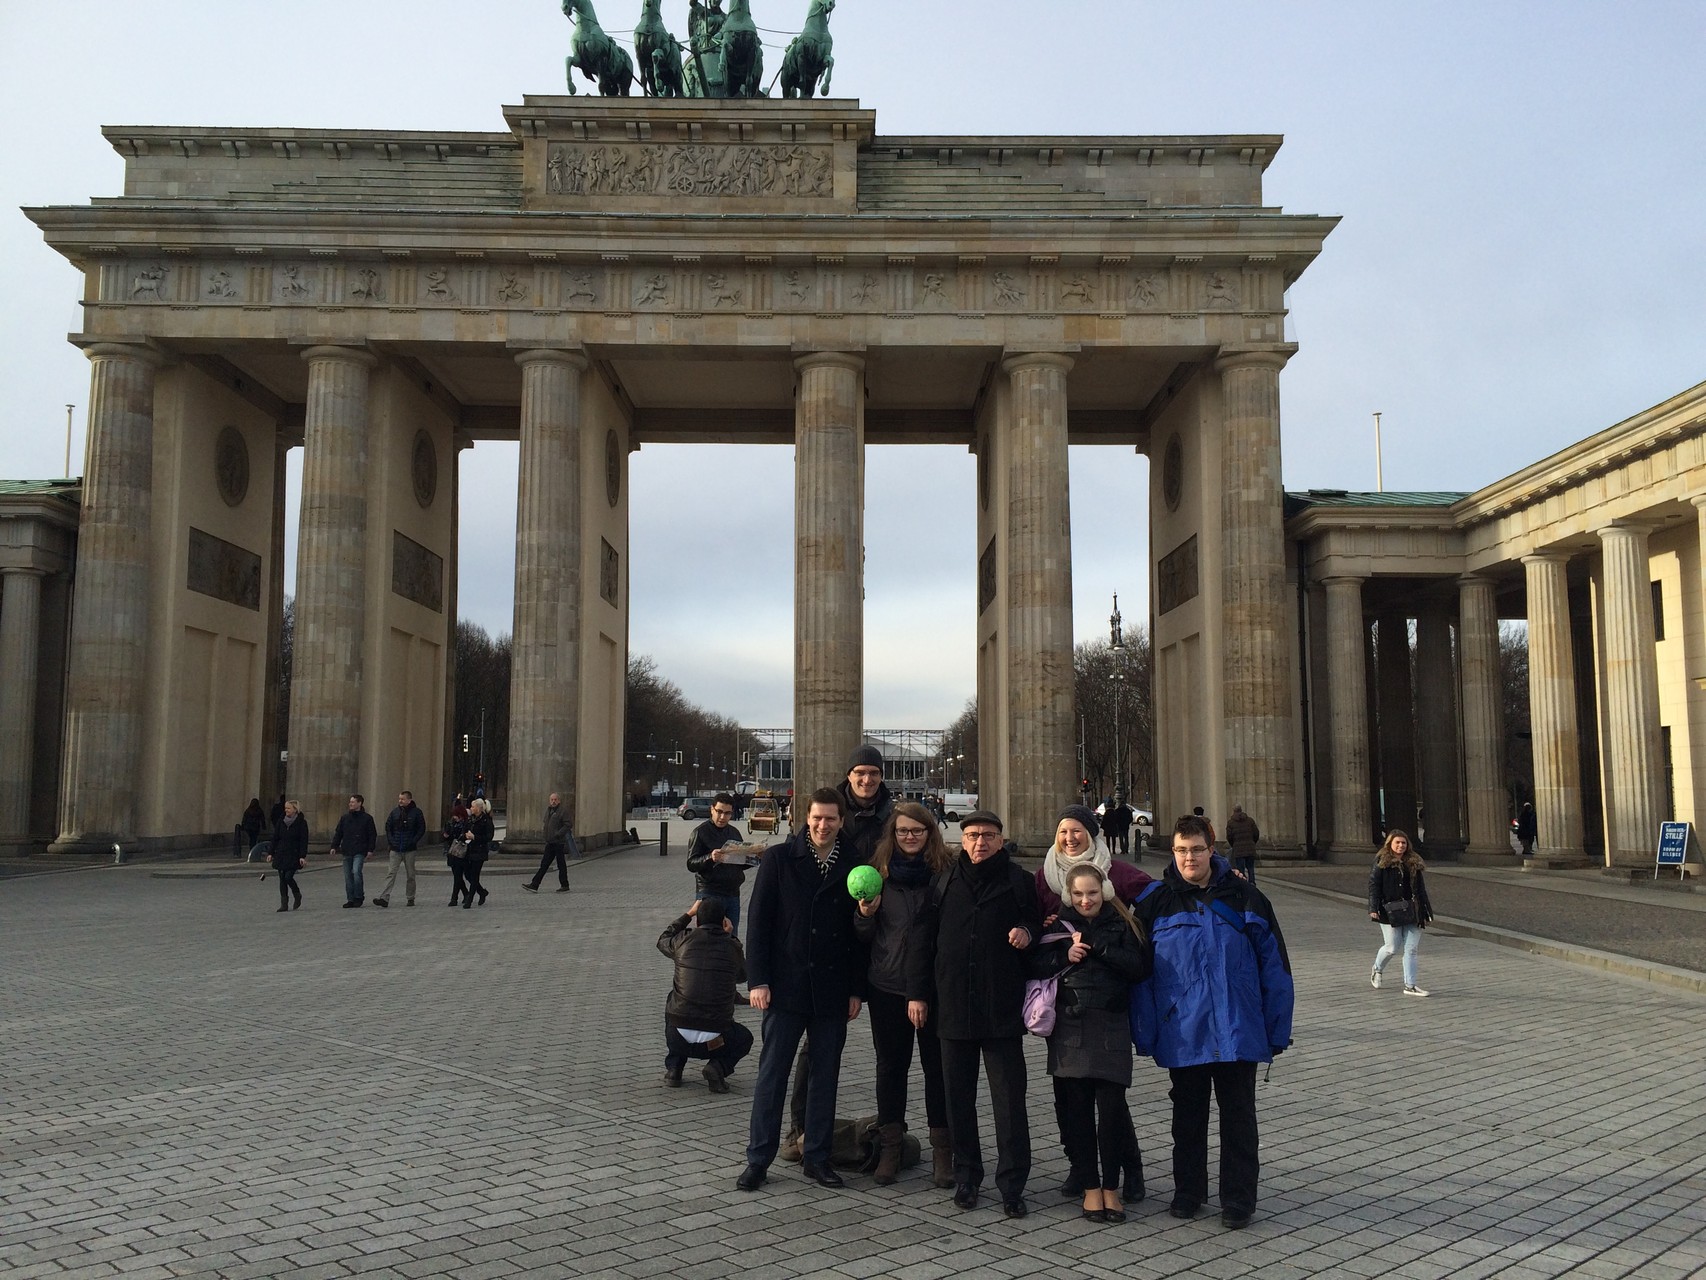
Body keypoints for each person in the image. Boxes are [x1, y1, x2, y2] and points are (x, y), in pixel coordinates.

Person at [1132, 814, 1293, 1229]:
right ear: (1173, 851)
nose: (1190, 858)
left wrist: (1277, 1028)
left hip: (1239, 1028)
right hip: (1184, 1030)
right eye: (1182, 850)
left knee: (1239, 1118)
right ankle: (1189, 1192)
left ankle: (1238, 1199)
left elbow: (1275, 967)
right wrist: (1145, 1032)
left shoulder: (1247, 897)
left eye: (1197, 849)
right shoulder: (1155, 902)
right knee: (1187, 1119)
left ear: (1212, 847)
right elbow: (1141, 975)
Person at [907, 809, 1041, 1218]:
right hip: (952, 1006)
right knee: (957, 1100)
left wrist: (1028, 931)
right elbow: (922, 941)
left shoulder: (1019, 880)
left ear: (1001, 839)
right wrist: (918, 994)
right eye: (972, 836)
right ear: (961, 840)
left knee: (1009, 1103)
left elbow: (1035, 924)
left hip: (1000, 1007)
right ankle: (967, 1177)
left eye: (988, 836)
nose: (980, 842)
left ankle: (1012, 1183)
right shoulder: (944, 880)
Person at [735, 787, 867, 1194]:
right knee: (772, 1075)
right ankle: (759, 1158)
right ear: (803, 819)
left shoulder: (854, 863)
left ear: (842, 821)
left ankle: (818, 1157)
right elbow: (758, 923)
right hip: (786, 985)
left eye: (831, 818)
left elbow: (858, 938)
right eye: (816, 818)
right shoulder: (778, 859)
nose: (823, 825)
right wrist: (757, 980)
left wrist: (856, 989)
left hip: (832, 987)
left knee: (825, 1077)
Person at [779, 746, 897, 1158]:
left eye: (874, 774)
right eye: (860, 772)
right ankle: (799, 1131)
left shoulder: (894, 816)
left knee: (891, 1044)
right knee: (816, 1045)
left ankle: (891, 1133)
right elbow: (802, 856)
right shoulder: (828, 810)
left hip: (880, 932)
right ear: (849, 775)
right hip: (830, 935)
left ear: (882, 777)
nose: (867, 780)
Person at [1034, 805, 1154, 1202]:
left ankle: (1129, 1168)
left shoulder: (1115, 872)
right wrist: (1041, 930)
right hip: (1067, 1003)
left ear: (1092, 833)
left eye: (1078, 830)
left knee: (1110, 1100)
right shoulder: (1044, 876)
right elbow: (1030, 920)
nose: (1070, 837)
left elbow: (1157, 892)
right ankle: (1079, 1168)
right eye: (1064, 830)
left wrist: (1228, 872)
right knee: (1069, 1099)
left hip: (1107, 1000)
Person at [852, 803, 955, 1187]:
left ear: (931, 833)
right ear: (892, 835)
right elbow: (862, 937)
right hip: (888, 985)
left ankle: (943, 1149)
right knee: (890, 1067)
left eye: (917, 830)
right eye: (902, 831)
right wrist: (864, 914)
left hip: (934, 988)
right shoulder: (876, 876)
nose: (909, 837)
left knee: (937, 1069)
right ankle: (890, 1146)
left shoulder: (945, 875)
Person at [658, 897, 753, 1092]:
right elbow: (743, 976)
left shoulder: (683, 940)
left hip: (677, 1037)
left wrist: (687, 914)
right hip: (717, 1040)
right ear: (724, 923)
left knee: (673, 999)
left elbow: (662, 940)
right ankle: (717, 1068)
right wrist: (732, 938)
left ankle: (675, 1068)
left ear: (697, 922)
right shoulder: (731, 946)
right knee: (745, 1038)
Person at [1368, 829, 1434, 996]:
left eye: (1403, 843)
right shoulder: (1382, 862)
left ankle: (1410, 985)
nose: (1400, 846)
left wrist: (1426, 910)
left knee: (1411, 949)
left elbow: (1421, 889)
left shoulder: (1414, 863)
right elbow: (1374, 886)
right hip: (1389, 910)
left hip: (1413, 910)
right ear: (1390, 844)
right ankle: (1377, 968)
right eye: (1397, 842)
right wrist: (1373, 908)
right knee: (1391, 947)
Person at [686, 793, 753, 934]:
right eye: (719, 812)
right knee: (709, 936)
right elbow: (691, 864)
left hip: (732, 892)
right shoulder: (700, 832)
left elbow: (738, 863)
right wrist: (710, 857)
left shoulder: (734, 832)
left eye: (727, 813)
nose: (723, 817)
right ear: (712, 809)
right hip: (709, 892)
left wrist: (754, 858)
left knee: (731, 935)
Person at [374, 790, 426, 908]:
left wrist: (414, 841)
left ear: (409, 800)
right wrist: (391, 841)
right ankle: (384, 897)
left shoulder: (416, 813)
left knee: (411, 875)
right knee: (391, 873)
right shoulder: (395, 812)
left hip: (410, 849)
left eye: (402, 799)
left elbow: (421, 828)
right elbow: (388, 827)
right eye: (399, 799)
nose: (400, 801)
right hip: (395, 848)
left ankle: (410, 897)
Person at [330, 794, 378, 908]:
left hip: (360, 850)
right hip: (347, 849)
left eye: (352, 802)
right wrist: (334, 846)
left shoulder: (367, 818)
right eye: (350, 802)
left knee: (356, 872)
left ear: (359, 803)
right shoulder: (345, 818)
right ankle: (350, 899)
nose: (350, 804)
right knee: (348, 876)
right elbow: (339, 833)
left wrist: (370, 850)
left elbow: (372, 835)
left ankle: (358, 896)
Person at [525, 792, 574, 893]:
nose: (553, 801)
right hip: (550, 842)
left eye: (555, 799)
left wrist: (559, 834)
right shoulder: (549, 810)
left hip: (558, 842)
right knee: (544, 864)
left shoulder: (562, 811)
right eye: (552, 800)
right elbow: (546, 824)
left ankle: (564, 885)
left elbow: (568, 824)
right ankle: (534, 884)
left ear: (559, 801)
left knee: (561, 864)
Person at [268, 800, 309, 912]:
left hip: (294, 853)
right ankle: (284, 903)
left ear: (295, 809)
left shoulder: (301, 823)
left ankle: (297, 894)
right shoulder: (281, 822)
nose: (286, 810)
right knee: (282, 878)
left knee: (288, 876)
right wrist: (271, 852)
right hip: (281, 853)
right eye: (285, 808)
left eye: (289, 808)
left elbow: (303, 840)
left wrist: (302, 856)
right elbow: (275, 838)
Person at [462, 798, 494, 908]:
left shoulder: (486, 820)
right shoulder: (470, 819)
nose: (471, 808)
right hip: (469, 850)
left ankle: (469, 900)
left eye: (473, 806)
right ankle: (481, 892)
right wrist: (465, 835)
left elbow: (489, 837)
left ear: (479, 808)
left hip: (480, 851)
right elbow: (464, 830)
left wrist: (475, 837)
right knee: (467, 874)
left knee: (475, 875)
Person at [444, 806, 473, 907]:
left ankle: (454, 898)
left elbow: (468, 837)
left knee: (458, 876)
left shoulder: (467, 823)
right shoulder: (451, 823)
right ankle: (466, 893)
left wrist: (462, 838)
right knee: (457, 876)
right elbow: (447, 836)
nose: (454, 817)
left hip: (462, 853)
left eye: (456, 815)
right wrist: (447, 835)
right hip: (452, 852)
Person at [1225, 805, 1261, 884]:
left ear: (1234, 811)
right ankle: (1252, 882)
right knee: (1250, 868)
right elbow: (1256, 833)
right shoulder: (1250, 821)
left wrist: (1233, 845)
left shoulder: (1231, 822)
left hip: (1238, 849)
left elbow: (1229, 836)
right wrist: (1252, 842)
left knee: (1240, 868)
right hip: (1250, 847)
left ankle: (1243, 883)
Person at [1101, 793, 1134, 858]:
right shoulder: (1127, 811)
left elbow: (1104, 821)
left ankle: (1115, 849)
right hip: (1123, 826)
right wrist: (1127, 823)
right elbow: (1130, 818)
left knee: (1118, 838)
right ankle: (1125, 849)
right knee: (1125, 838)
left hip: (1116, 827)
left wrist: (1103, 826)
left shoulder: (1116, 811)